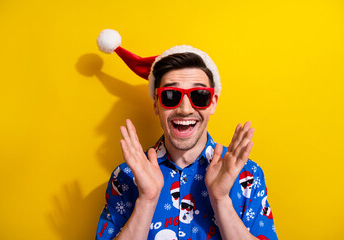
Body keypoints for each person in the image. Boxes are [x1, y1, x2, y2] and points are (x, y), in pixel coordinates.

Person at [95, 29, 278, 240]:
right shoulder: (126, 175)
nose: (184, 109)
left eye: (199, 95)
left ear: (213, 103)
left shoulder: (248, 174)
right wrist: (146, 200)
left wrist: (221, 201)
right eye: (171, 95)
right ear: (156, 104)